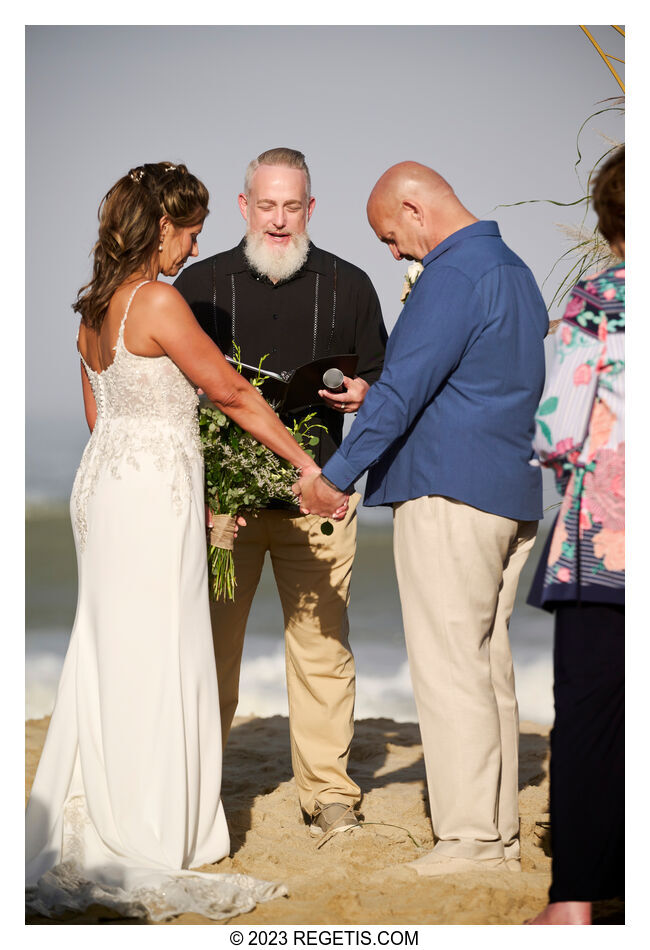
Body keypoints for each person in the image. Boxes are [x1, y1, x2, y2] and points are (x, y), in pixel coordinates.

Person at [25, 162, 339, 922]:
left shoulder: (93, 308)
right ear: (162, 226)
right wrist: (304, 466)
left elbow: (104, 421)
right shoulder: (157, 300)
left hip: (106, 485)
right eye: (192, 232)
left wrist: (176, 491)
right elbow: (230, 393)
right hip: (148, 490)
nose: (196, 247)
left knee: (111, 647)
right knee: (160, 646)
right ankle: (152, 822)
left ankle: (104, 799)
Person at [296, 161, 548, 874]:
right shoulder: (515, 271)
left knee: (448, 670)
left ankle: (468, 840)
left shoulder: (453, 275)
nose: (395, 252)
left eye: (391, 235)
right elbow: (478, 381)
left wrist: (333, 477)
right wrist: (381, 394)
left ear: (415, 207)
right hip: (508, 493)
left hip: (449, 493)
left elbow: (407, 396)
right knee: (485, 666)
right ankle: (494, 835)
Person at [174, 147, 387, 837]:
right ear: (243, 207)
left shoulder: (350, 285)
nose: (277, 219)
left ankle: (328, 796)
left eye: (291, 206)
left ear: (310, 209)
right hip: (222, 506)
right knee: (208, 652)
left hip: (316, 499)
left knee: (324, 653)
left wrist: (364, 395)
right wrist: (204, 498)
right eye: (265, 205)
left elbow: (383, 386)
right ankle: (193, 788)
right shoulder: (197, 286)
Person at [526, 147, 625, 925]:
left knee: (591, 711)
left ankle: (576, 901)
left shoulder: (599, 299)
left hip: (608, 538)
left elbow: (558, 428)